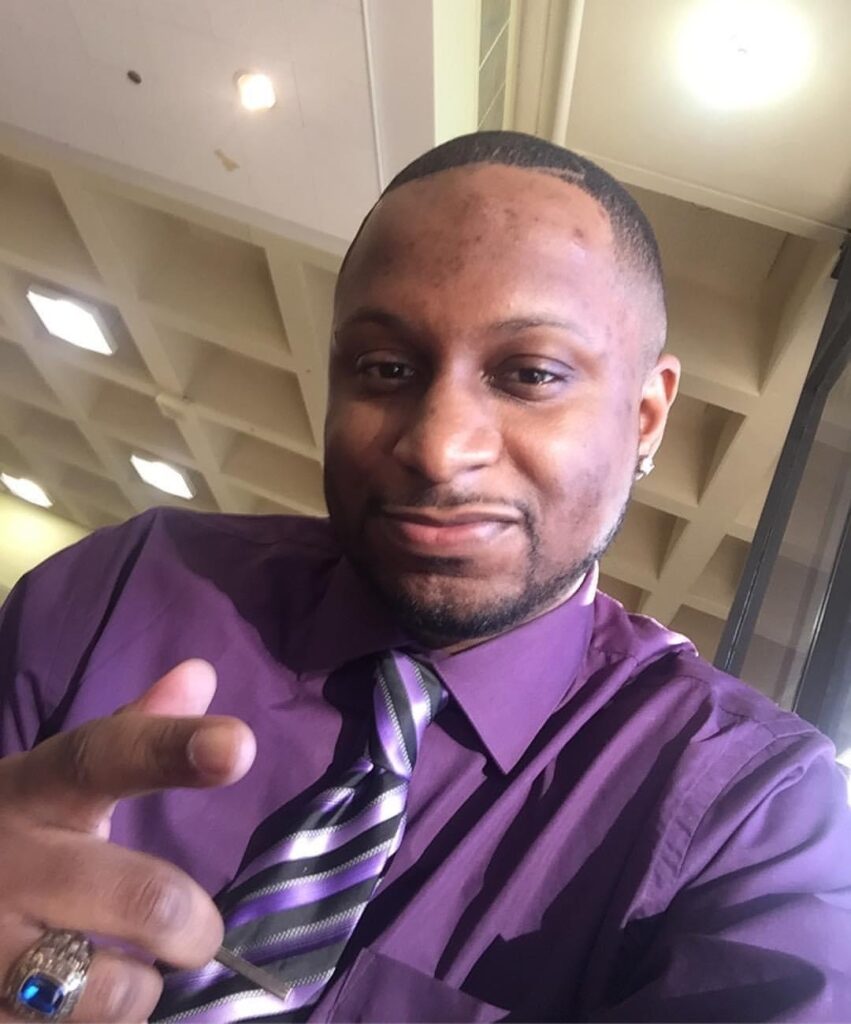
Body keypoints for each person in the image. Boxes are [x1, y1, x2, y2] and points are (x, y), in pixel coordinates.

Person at [0, 130, 849, 1024]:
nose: (437, 450)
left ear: (644, 419)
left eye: (529, 374)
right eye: (386, 369)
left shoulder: (749, 816)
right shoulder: (127, 587)